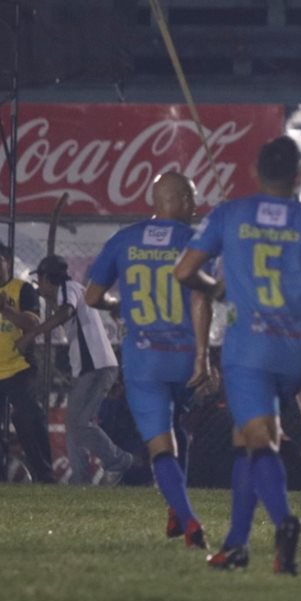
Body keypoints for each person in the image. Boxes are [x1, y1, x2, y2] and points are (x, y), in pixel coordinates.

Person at [175, 136, 301, 575]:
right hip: (294, 348)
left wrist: (214, 288)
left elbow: (184, 271)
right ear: (300, 177)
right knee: (250, 441)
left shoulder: (231, 213)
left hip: (250, 348)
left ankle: (285, 522)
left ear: (256, 174)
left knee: (258, 442)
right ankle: (236, 545)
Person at [83, 171, 213, 548]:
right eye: (192, 198)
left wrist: (117, 304)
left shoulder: (124, 239)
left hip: (144, 359)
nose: (196, 205)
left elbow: (92, 297)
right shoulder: (194, 241)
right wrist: (205, 356)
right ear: (182, 201)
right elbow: (201, 298)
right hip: (184, 356)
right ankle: (177, 508)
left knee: (161, 444)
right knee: (178, 427)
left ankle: (188, 521)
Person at [18, 255, 134, 485]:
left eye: (39, 280)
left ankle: (119, 460)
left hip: (96, 366)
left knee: (78, 424)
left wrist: (33, 334)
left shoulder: (67, 288)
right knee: (74, 425)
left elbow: (67, 310)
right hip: (91, 367)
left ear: (47, 278)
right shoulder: (72, 288)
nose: (38, 285)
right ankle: (80, 481)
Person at [0, 241, 56, 483]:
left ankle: (45, 477)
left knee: (28, 418)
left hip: (18, 368)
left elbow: (33, 324)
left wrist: (8, 313)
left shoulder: (22, 289)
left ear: (7, 262)